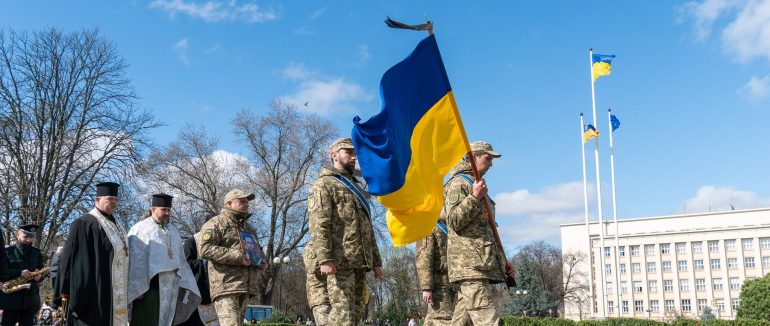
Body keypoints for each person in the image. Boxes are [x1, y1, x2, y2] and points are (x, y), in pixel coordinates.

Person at [306, 137, 383, 326]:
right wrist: (325, 258)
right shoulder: (324, 184)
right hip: (339, 261)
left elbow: (367, 227)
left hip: (359, 261)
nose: (354, 157)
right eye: (348, 152)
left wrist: (376, 261)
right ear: (334, 155)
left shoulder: (356, 187)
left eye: (355, 153)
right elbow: (319, 224)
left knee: (356, 317)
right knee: (342, 317)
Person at [444, 141, 514, 326]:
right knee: (488, 321)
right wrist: (474, 197)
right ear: (473, 157)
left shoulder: (476, 184)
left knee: (460, 322)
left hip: (480, 263)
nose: (491, 163)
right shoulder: (458, 183)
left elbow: (487, 231)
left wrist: (502, 261)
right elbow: (454, 221)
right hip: (470, 266)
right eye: (488, 158)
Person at [55, 181, 130, 326]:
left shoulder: (117, 225)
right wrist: (66, 289)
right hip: (93, 292)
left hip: (113, 292)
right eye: (110, 199)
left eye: (116, 200)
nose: (114, 203)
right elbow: (71, 259)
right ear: (97, 200)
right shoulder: (84, 223)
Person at [128, 193, 201, 326]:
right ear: (153, 210)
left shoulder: (173, 231)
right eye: (163, 210)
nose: (167, 213)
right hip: (150, 286)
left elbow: (181, 260)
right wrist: (136, 287)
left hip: (171, 284)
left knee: (167, 321)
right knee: (148, 320)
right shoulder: (140, 229)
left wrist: (186, 283)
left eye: (169, 210)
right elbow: (134, 261)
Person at [199, 189, 267, 326]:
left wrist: (262, 260)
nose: (247, 204)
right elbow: (204, 249)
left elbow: (257, 250)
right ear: (229, 203)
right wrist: (237, 257)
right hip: (226, 287)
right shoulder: (216, 223)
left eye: (247, 202)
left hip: (245, 287)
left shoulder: (249, 228)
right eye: (242, 201)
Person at [415, 212, 457, 326]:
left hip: (453, 283)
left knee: (435, 320)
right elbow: (423, 258)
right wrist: (427, 287)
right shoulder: (427, 225)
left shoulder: (452, 225)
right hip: (439, 285)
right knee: (443, 320)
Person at [0, 223, 45, 326]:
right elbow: (2, 272)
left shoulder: (36, 252)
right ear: (18, 235)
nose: (29, 240)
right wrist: (19, 273)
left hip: (29, 300)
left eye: (31, 237)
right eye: (26, 237)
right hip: (11, 300)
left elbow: (41, 270)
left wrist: (39, 277)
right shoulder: (7, 252)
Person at [180, 216, 216, 326]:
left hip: (214, 291)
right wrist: (207, 263)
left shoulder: (219, 241)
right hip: (196, 292)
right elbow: (186, 264)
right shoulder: (192, 242)